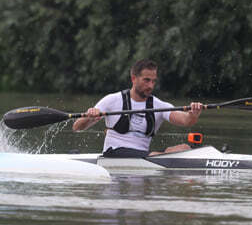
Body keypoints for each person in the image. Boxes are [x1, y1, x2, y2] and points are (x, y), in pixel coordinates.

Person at [72, 59, 204, 157]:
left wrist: (194, 113)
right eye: (146, 80)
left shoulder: (158, 105)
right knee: (156, 156)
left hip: (144, 156)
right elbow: (77, 127)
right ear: (134, 78)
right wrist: (89, 117)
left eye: (153, 81)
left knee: (185, 148)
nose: (151, 86)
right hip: (114, 153)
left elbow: (186, 121)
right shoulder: (112, 100)